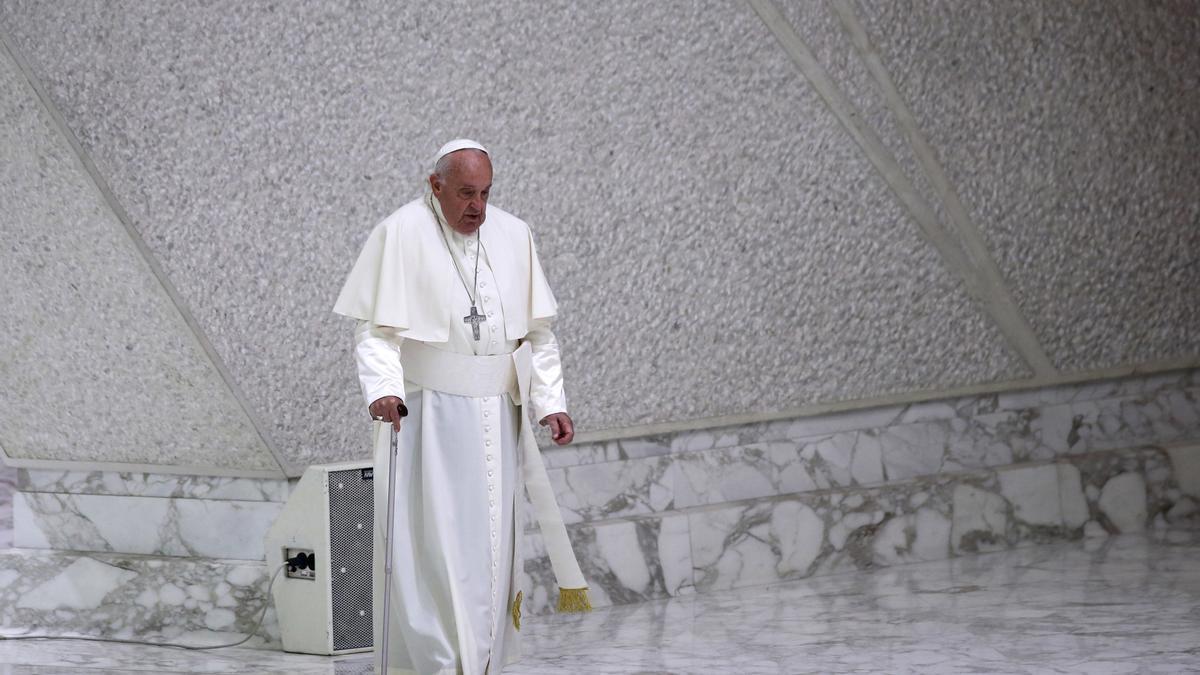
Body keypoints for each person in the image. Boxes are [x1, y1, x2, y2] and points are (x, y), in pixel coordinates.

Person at [333, 139, 590, 675]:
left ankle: (484, 661)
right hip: (429, 420)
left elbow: (538, 335)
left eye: (486, 193)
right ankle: (444, 664)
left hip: (499, 417)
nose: (478, 207)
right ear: (436, 186)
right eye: (466, 193)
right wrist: (384, 389)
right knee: (438, 548)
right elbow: (375, 332)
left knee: (492, 552)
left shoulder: (514, 234)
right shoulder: (400, 232)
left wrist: (550, 402)